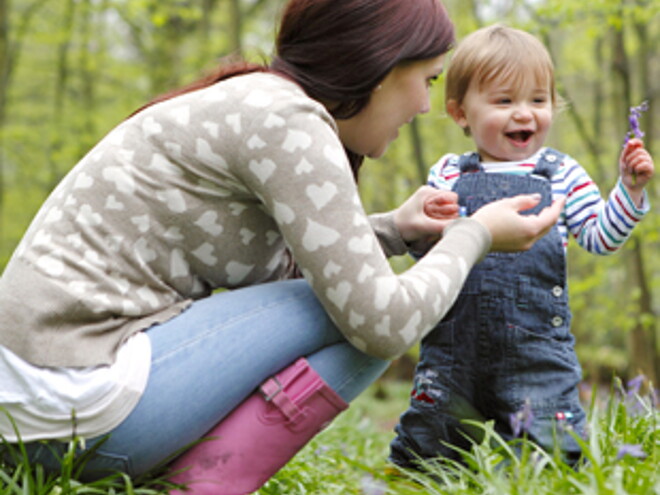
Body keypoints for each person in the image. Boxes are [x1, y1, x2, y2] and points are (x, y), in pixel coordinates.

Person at [0, 4, 563, 494]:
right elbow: (382, 324)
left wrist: (395, 228)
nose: (422, 106)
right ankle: (201, 487)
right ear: (380, 68)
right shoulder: (287, 121)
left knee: (359, 299)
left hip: (30, 420)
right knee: (369, 317)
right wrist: (476, 234)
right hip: (75, 411)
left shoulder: (259, 104)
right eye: (428, 81)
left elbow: (274, 276)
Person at [390, 24, 655, 470]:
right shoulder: (447, 174)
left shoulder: (563, 173)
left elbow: (601, 237)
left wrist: (628, 192)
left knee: (556, 451)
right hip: (453, 352)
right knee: (429, 446)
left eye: (538, 100)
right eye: (504, 101)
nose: (524, 114)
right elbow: (429, 254)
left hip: (538, 352)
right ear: (460, 113)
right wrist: (426, 226)